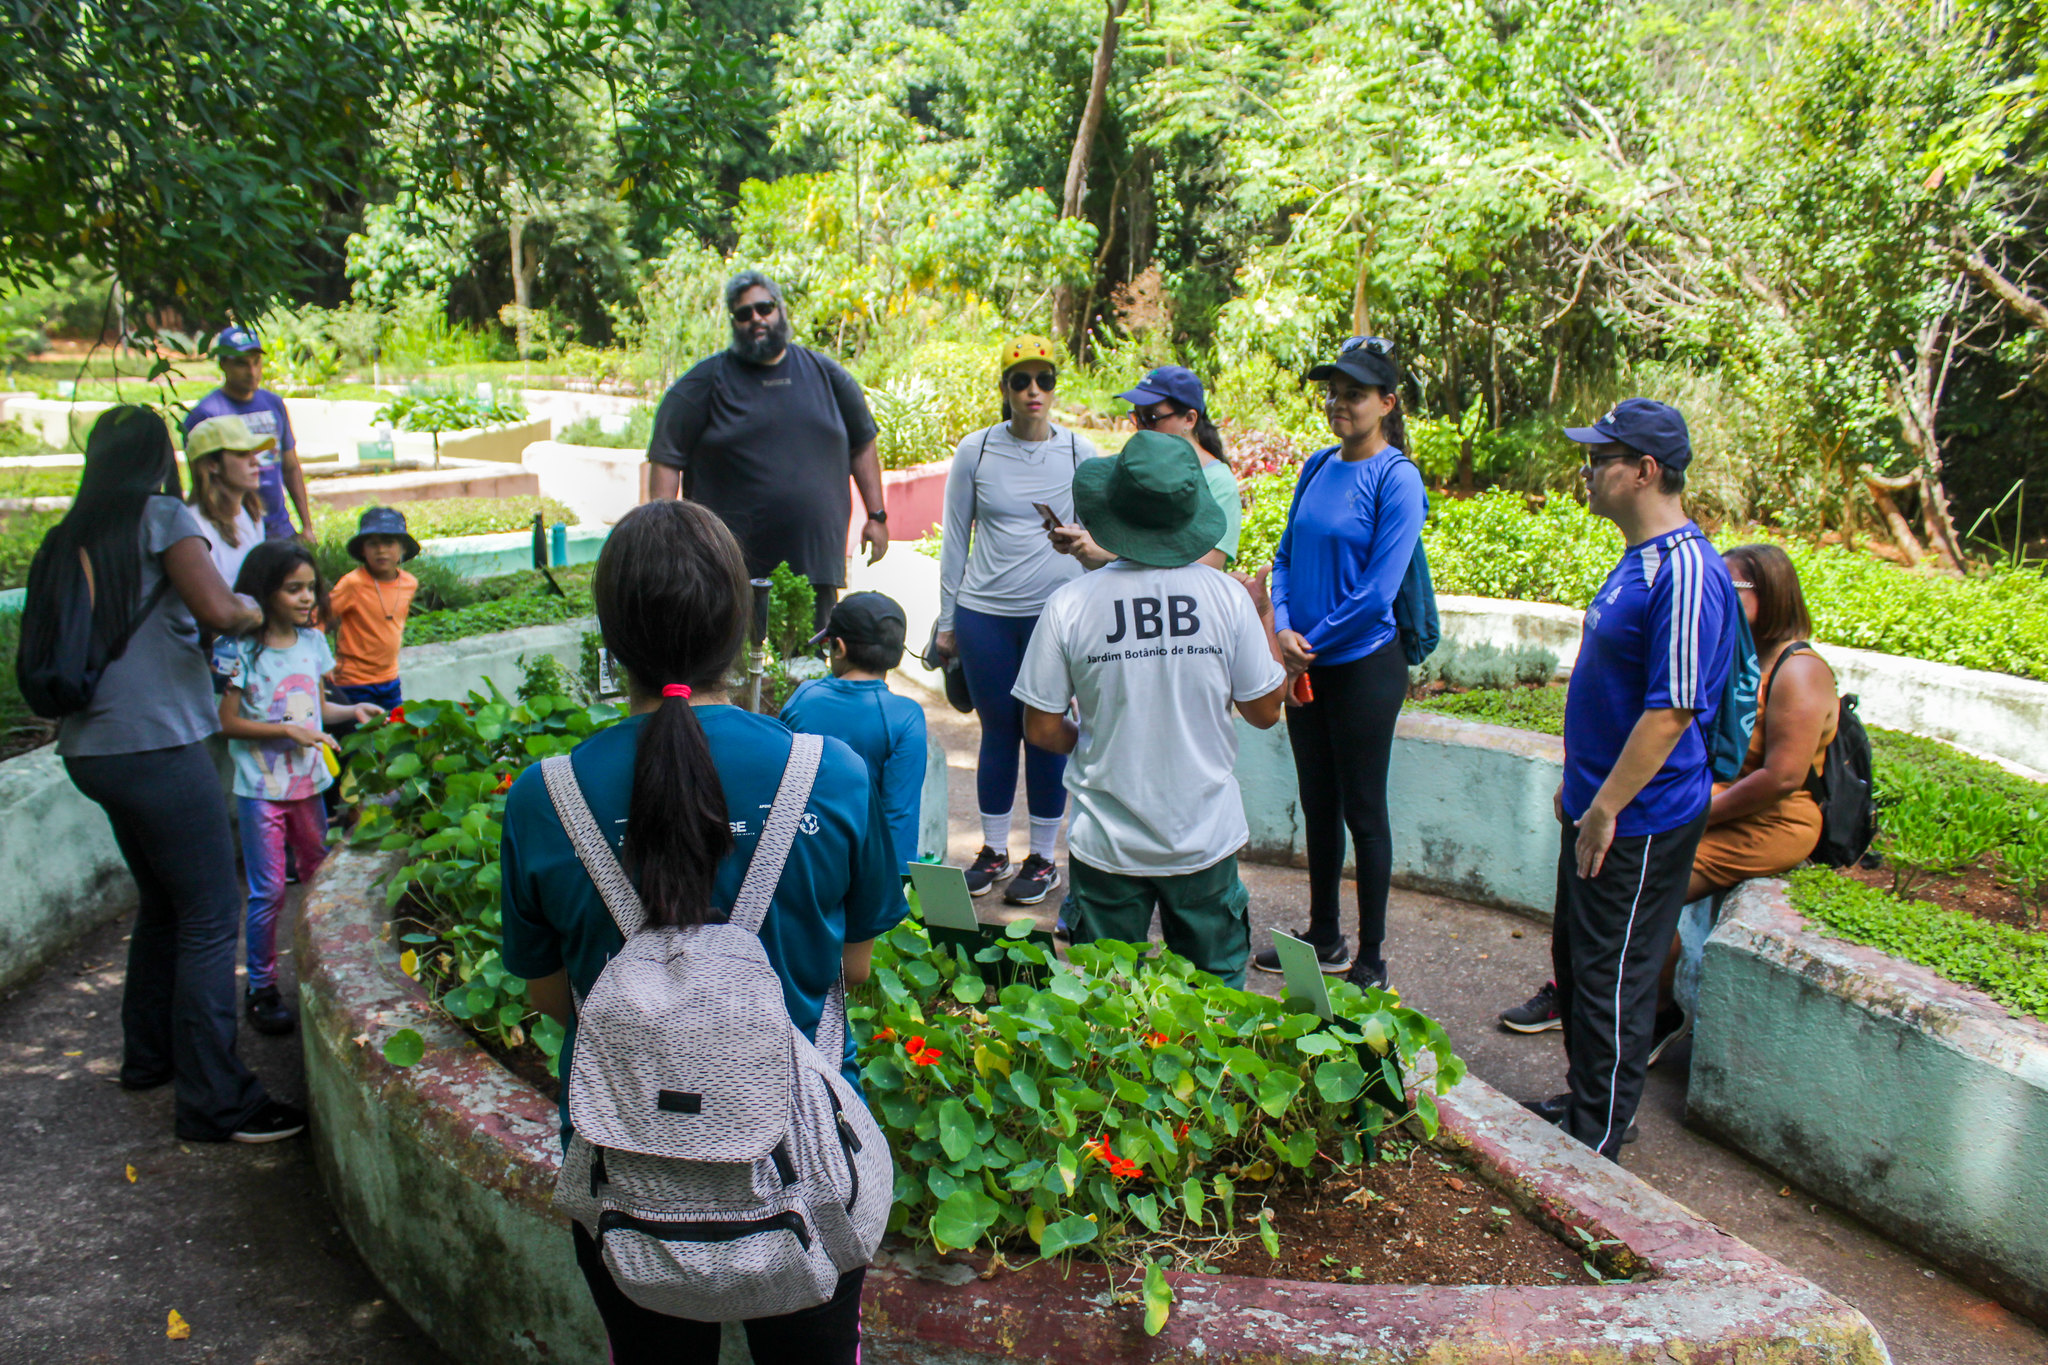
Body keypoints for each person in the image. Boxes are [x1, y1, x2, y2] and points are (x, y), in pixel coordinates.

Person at [499, 500, 905, 1363]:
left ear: (612, 636)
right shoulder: (826, 773)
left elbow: (549, 994)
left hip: (624, 1175)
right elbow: (855, 967)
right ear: (741, 628)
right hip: (804, 1173)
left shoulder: (549, 795)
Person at [24, 406, 302, 1142]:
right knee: (211, 915)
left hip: (93, 749)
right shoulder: (162, 515)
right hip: (158, 744)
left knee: (162, 904)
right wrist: (251, 608)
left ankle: (148, 1057)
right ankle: (218, 1101)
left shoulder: (71, 532)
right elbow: (215, 605)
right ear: (161, 459)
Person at [1499, 543, 1840, 1057]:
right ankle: (1583, 997)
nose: (1715, 596)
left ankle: (1653, 1014)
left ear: (1769, 594)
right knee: (1613, 884)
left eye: (1731, 588)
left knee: (1638, 894)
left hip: (1768, 821)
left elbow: (1782, 778)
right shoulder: (1727, 650)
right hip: (1708, 800)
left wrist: (1690, 817)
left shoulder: (1798, 671)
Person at [1518, 398, 1739, 1162]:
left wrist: (1606, 804)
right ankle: (1589, 1100)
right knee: (1579, 961)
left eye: (1601, 459)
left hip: (1639, 817)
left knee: (1615, 972)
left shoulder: (1684, 571)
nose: (1587, 471)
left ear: (1645, 471)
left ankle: (1598, 1137)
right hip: (1598, 804)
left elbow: (1672, 710)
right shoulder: (1638, 560)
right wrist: (1579, 789)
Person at [1012, 431, 1288, 987]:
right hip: (1204, 837)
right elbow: (1265, 712)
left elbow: (1040, 728)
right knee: (1220, 1012)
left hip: (1107, 844)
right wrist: (1263, 614)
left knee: (1105, 1017)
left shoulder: (1070, 605)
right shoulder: (1227, 598)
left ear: (1111, 510)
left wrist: (1094, 738)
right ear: (1188, 512)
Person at [1251, 336, 1427, 992]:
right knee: (1317, 801)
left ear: (1386, 402)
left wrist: (1310, 639)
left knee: (1363, 807)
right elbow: (1288, 553)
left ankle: (1372, 957)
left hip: (1362, 667)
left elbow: (1379, 591)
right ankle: (1324, 934)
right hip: (1309, 660)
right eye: (1333, 392)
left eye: (1353, 393)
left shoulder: (1397, 478)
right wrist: (1287, 627)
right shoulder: (1318, 465)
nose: (1338, 404)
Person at [931, 336, 1102, 906]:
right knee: (999, 730)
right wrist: (947, 619)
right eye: (1021, 381)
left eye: (1044, 380)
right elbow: (955, 539)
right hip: (985, 614)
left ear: (1055, 387)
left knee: (1046, 733)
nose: (1034, 391)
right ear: (1004, 390)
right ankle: (995, 850)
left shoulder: (1081, 452)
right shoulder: (975, 451)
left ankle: (1044, 858)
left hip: (1057, 616)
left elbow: (1105, 535)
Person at [645, 270, 889, 633]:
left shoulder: (828, 376)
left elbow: (863, 445)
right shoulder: (701, 385)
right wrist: (666, 538)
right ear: (733, 321)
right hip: (726, 569)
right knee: (732, 672)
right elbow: (666, 459)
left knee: (804, 665)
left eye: (765, 308)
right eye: (744, 313)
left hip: (814, 566)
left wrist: (877, 516)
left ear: (780, 311)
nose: (756, 318)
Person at [218, 540, 384, 1035]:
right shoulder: (242, 652)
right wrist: (286, 732)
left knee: (318, 877)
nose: (307, 597)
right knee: (268, 891)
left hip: (309, 785)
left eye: (310, 587)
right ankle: (262, 986)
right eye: (294, 589)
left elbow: (310, 710)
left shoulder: (312, 645)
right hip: (261, 791)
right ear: (264, 591)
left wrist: (350, 712)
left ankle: (322, 972)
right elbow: (227, 721)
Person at [781, 590, 929, 872]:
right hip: (863, 869)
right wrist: (898, 891)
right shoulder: (906, 717)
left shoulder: (804, 698)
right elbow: (900, 815)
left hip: (800, 860)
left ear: (840, 648)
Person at [1050, 365, 1242, 570]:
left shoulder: (1219, 481)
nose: (1141, 428)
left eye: (1151, 418)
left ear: (1189, 419)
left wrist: (1113, 554)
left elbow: (1208, 567)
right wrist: (1094, 536)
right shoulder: (1137, 467)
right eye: (1137, 417)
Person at [182, 326, 312, 541]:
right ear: (223, 364)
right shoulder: (206, 413)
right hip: (232, 529)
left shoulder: (274, 404)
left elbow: (290, 466)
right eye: (241, 363)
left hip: (279, 528)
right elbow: (201, 478)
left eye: (256, 362)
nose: (251, 371)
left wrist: (306, 526)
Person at [325, 506, 419, 715]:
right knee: (359, 739)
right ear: (362, 550)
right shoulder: (352, 583)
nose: (381, 550)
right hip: (353, 681)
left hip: (389, 678)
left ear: (402, 548)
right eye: (373, 544)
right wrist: (322, 662)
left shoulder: (409, 583)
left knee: (394, 734)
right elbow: (319, 619)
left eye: (388, 543)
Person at [183, 414, 271, 591]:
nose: (255, 461)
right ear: (211, 465)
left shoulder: (251, 513)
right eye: (241, 454)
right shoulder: (194, 526)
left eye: (254, 453)